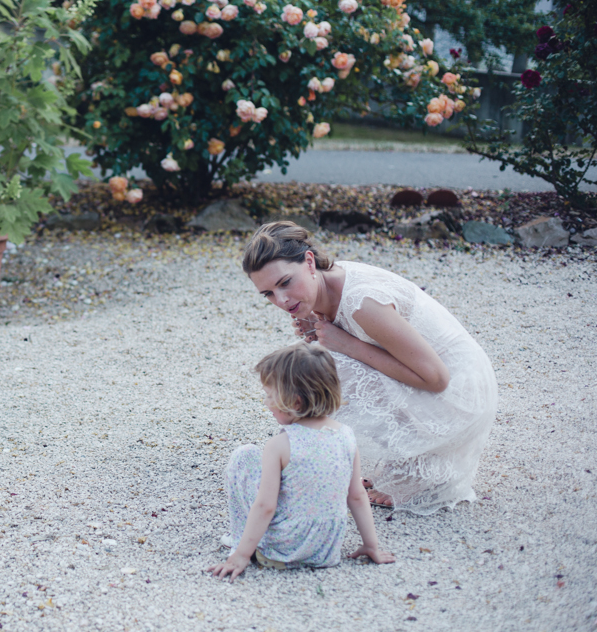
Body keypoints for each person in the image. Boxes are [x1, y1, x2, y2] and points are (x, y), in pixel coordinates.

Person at [242, 221, 498, 514]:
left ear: (309, 262)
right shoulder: (325, 282)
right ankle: (393, 462)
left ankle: (415, 470)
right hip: (439, 380)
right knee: (318, 360)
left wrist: (347, 344)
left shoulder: (361, 303)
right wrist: (318, 325)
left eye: (285, 282)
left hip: (459, 396)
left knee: (319, 369)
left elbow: (437, 379)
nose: (282, 300)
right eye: (269, 294)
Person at [208, 342, 394, 582]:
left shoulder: (280, 445)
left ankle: (241, 541)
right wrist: (372, 546)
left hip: (281, 550)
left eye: (269, 396)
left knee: (244, 456)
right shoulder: (346, 435)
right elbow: (357, 495)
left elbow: (266, 505)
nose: (266, 403)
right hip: (324, 551)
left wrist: (241, 556)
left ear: (294, 403)